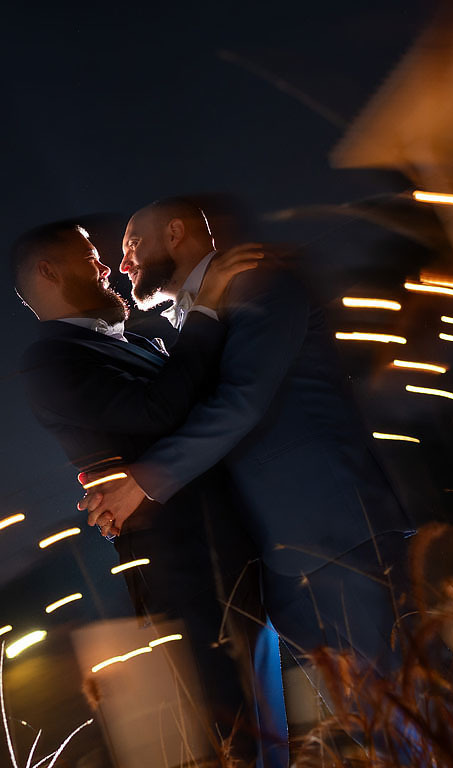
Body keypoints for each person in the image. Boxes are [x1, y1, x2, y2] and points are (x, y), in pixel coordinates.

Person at [80, 198, 414, 668]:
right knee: (365, 707)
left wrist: (140, 483)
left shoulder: (259, 281)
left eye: (132, 244)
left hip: (339, 536)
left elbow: (241, 400)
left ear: (175, 233)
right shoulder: (196, 316)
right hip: (283, 562)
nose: (123, 263)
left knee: (417, 692)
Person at [12, 220, 279, 764]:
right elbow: (159, 408)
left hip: (229, 548)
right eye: (89, 255)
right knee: (234, 733)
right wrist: (205, 307)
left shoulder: (131, 342)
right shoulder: (50, 361)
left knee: (268, 722)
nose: (105, 266)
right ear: (48, 271)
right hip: (183, 567)